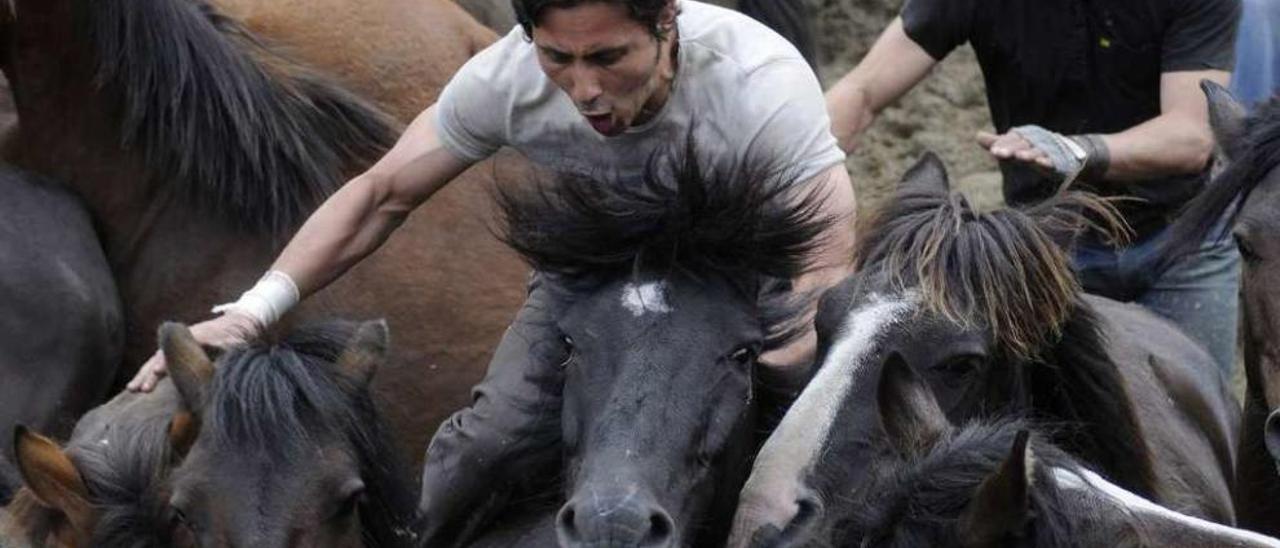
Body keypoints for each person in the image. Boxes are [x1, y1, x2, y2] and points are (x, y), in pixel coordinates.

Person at [126, 0, 854, 541]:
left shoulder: (760, 82)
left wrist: (781, 373)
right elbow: (382, 195)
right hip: (589, 273)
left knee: (797, 460)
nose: (585, 89)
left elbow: (824, 257)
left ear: (666, 23)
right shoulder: (507, 79)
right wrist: (254, 308)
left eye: (608, 58)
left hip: (735, 285)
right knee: (489, 440)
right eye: (558, 58)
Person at [825, 0, 1242, 376]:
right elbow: (861, 91)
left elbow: (1190, 136)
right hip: (1051, 249)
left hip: (1182, 241)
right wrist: (799, 162)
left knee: (1197, 415)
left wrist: (1079, 151)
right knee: (1051, 430)